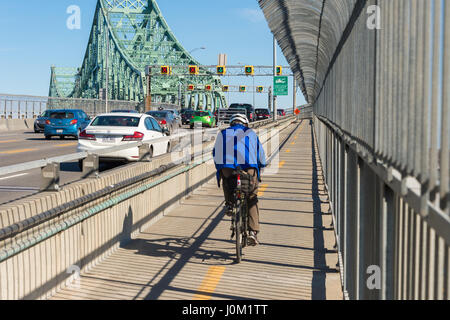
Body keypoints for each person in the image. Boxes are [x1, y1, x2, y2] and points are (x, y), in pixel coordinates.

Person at [213, 113, 266, 246]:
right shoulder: (251, 133)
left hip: (228, 167)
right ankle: (253, 232)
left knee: (226, 180)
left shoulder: (223, 133)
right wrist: (262, 165)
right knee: (252, 197)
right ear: (245, 124)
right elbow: (260, 154)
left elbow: (215, 153)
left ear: (231, 123)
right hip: (249, 167)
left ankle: (230, 204)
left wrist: (220, 166)